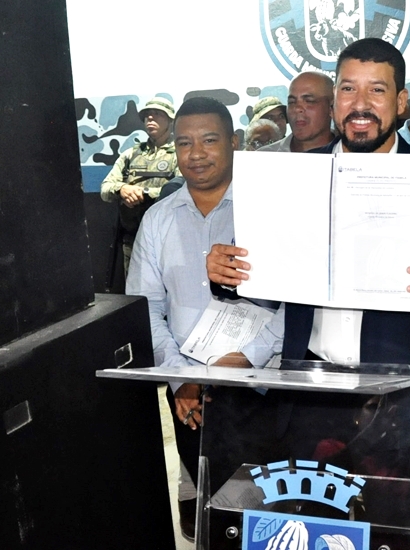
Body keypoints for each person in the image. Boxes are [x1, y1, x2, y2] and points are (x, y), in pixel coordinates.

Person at [207, 38, 410, 504]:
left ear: (401, 102)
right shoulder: (292, 176)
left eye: (377, 90)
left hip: (397, 400)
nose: (360, 104)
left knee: (390, 526)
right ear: (335, 98)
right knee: (310, 518)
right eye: (347, 89)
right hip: (310, 394)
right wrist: (226, 273)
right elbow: (262, 280)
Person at [125, 96, 241, 540]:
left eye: (209, 140)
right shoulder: (157, 220)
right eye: (184, 143)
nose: (196, 154)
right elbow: (145, 306)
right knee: (214, 519)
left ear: (233, 142)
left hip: (261, 383)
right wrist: (180, 377)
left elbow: (290, 307)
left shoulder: (266, 211)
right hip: (190, 393)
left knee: (265, 509)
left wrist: (247, 360)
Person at [100, 96, 179, 276]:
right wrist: (121, 189)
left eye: (157, 114)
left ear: (170, 120)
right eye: (147, 115)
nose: (150, 118)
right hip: (134, 239)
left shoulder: (180, 153)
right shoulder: (131, 154)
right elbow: (105, 188)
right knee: (137, 289)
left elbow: (183, 190)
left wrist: (142, 192)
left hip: (170, 239)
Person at [259, 71, 337, 153]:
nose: (297, 109)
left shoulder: (345, 154)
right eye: (292, 102)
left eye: (309, 101)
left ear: (332, 107)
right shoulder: (264, 157)